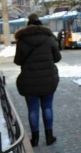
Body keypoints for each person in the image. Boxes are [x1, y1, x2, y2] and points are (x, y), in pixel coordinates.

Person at [14, 13, 62, 147]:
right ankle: (49, 137)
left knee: (32, 110)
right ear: (40, 23)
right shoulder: (49, 38)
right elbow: (57, 58)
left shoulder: (22, 40)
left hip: (29, 81)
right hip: (48, 80)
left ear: (28, 24)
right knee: (47, 107)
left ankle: (34, 139)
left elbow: (17, 61)